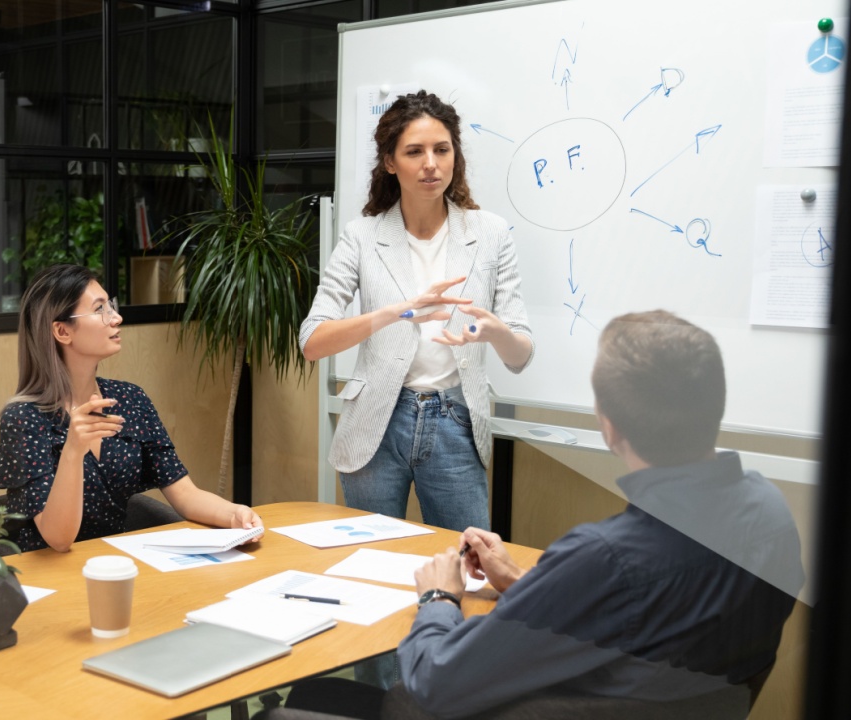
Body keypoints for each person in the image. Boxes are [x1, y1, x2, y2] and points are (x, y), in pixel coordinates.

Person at [386, 311, 803, 718]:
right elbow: (643, 626)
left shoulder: (609, 558)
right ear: (717, 403)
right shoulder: (771, 515)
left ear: (609, 426)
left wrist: (438, 597)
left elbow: (436, 681)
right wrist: (520, 582)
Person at [300, 90, 533, 533]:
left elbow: (520, 355)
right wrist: (397, 312)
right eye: (415, 151)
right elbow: (312, 341)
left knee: (467, 560)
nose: (431, 163)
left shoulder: (491, 233)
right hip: (375, 423)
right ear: (390, 162)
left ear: (454, 156)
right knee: (368, 563)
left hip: (454, 420)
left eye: (442, 150)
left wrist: (495, 330)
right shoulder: (362, 235)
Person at [0, 264, 263, 552]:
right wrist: (72, 450)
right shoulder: (23, 419)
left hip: (115, 566)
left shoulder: (130, 399)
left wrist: (235, 514)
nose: (116, 318)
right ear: (62, 331)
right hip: (51, 579)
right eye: (99, 309)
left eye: (111, 306)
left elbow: (184, 493)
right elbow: (58, 539)